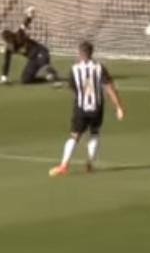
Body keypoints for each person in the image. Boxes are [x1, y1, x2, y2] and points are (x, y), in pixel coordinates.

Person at [49, 41, 125, 177]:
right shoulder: (100, 68)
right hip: (97, 107)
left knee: (74, 136)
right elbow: (110, 88)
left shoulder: (74, 69)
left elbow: (73, 89)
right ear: (92, 53)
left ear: (80, 53)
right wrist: (118, 107)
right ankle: (89, 164)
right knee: (94, 133)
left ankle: (64, 165)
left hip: (81, 107)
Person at [0, 7, 58, 85]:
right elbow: (7, 62)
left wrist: (30, 15)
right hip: (33, 59)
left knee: (43, 63)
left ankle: (51, 72)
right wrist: (4, 77)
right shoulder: (9, 49)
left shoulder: (19, 36)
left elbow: (24, 25)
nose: (7, 44)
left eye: (8, 41)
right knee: (25, 80)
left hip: (41, 52)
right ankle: (47, 79)